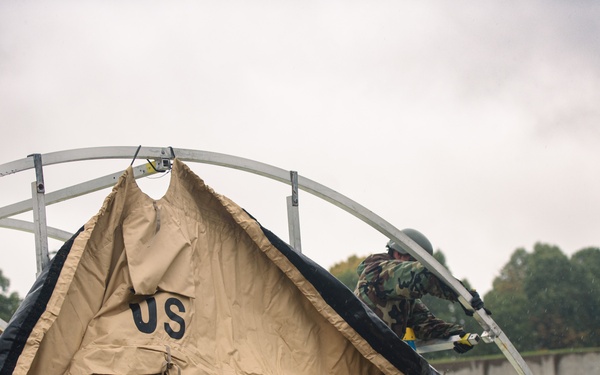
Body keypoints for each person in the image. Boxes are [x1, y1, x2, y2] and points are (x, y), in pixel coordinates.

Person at [354, 228, 488, 354]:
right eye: (415, 261)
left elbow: (426, 325)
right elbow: (422, 275)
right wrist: (461, 295)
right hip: (358, 353)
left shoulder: (404, 298)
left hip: (376, 357)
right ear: (399, 254)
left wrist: (457, 336)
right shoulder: (377, 273)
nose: (417, 264)